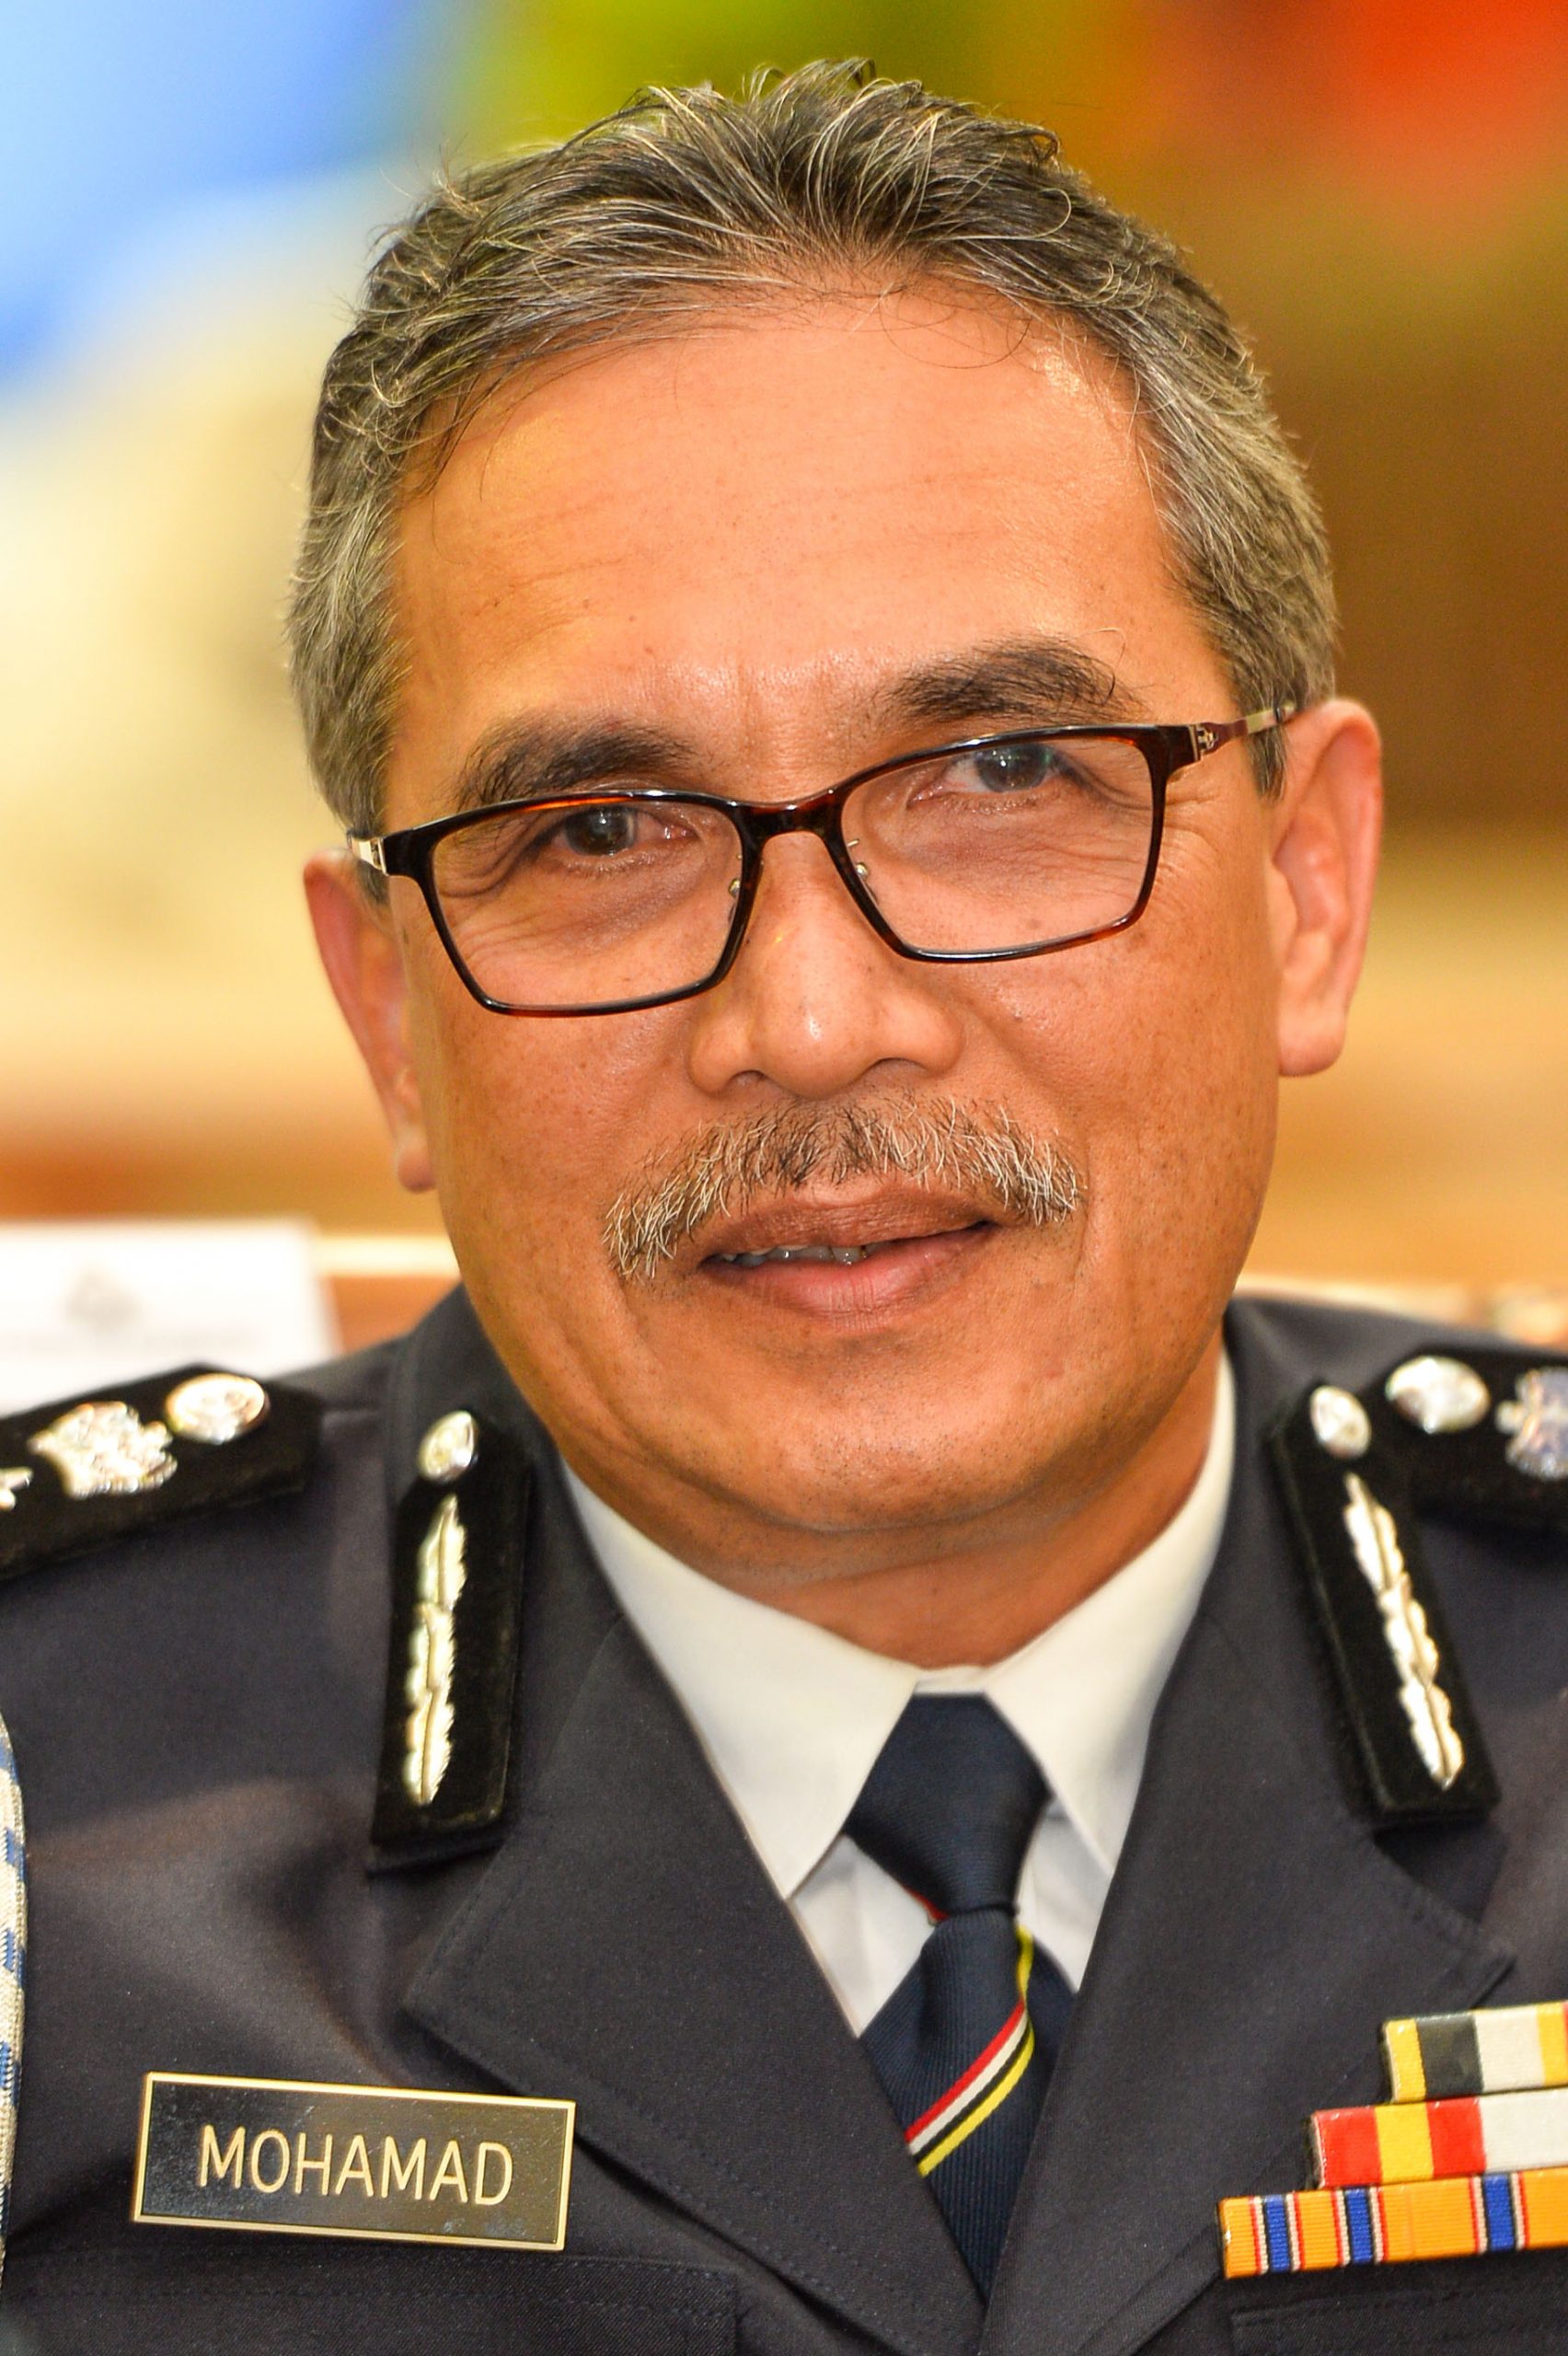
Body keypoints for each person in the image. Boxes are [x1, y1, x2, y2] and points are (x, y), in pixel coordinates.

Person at [2, 60, 1566, 2355]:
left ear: (1308, 885)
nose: (815, 1020)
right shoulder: (53, 1805)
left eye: (1001, 773)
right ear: (387, 1012)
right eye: (601, 832)